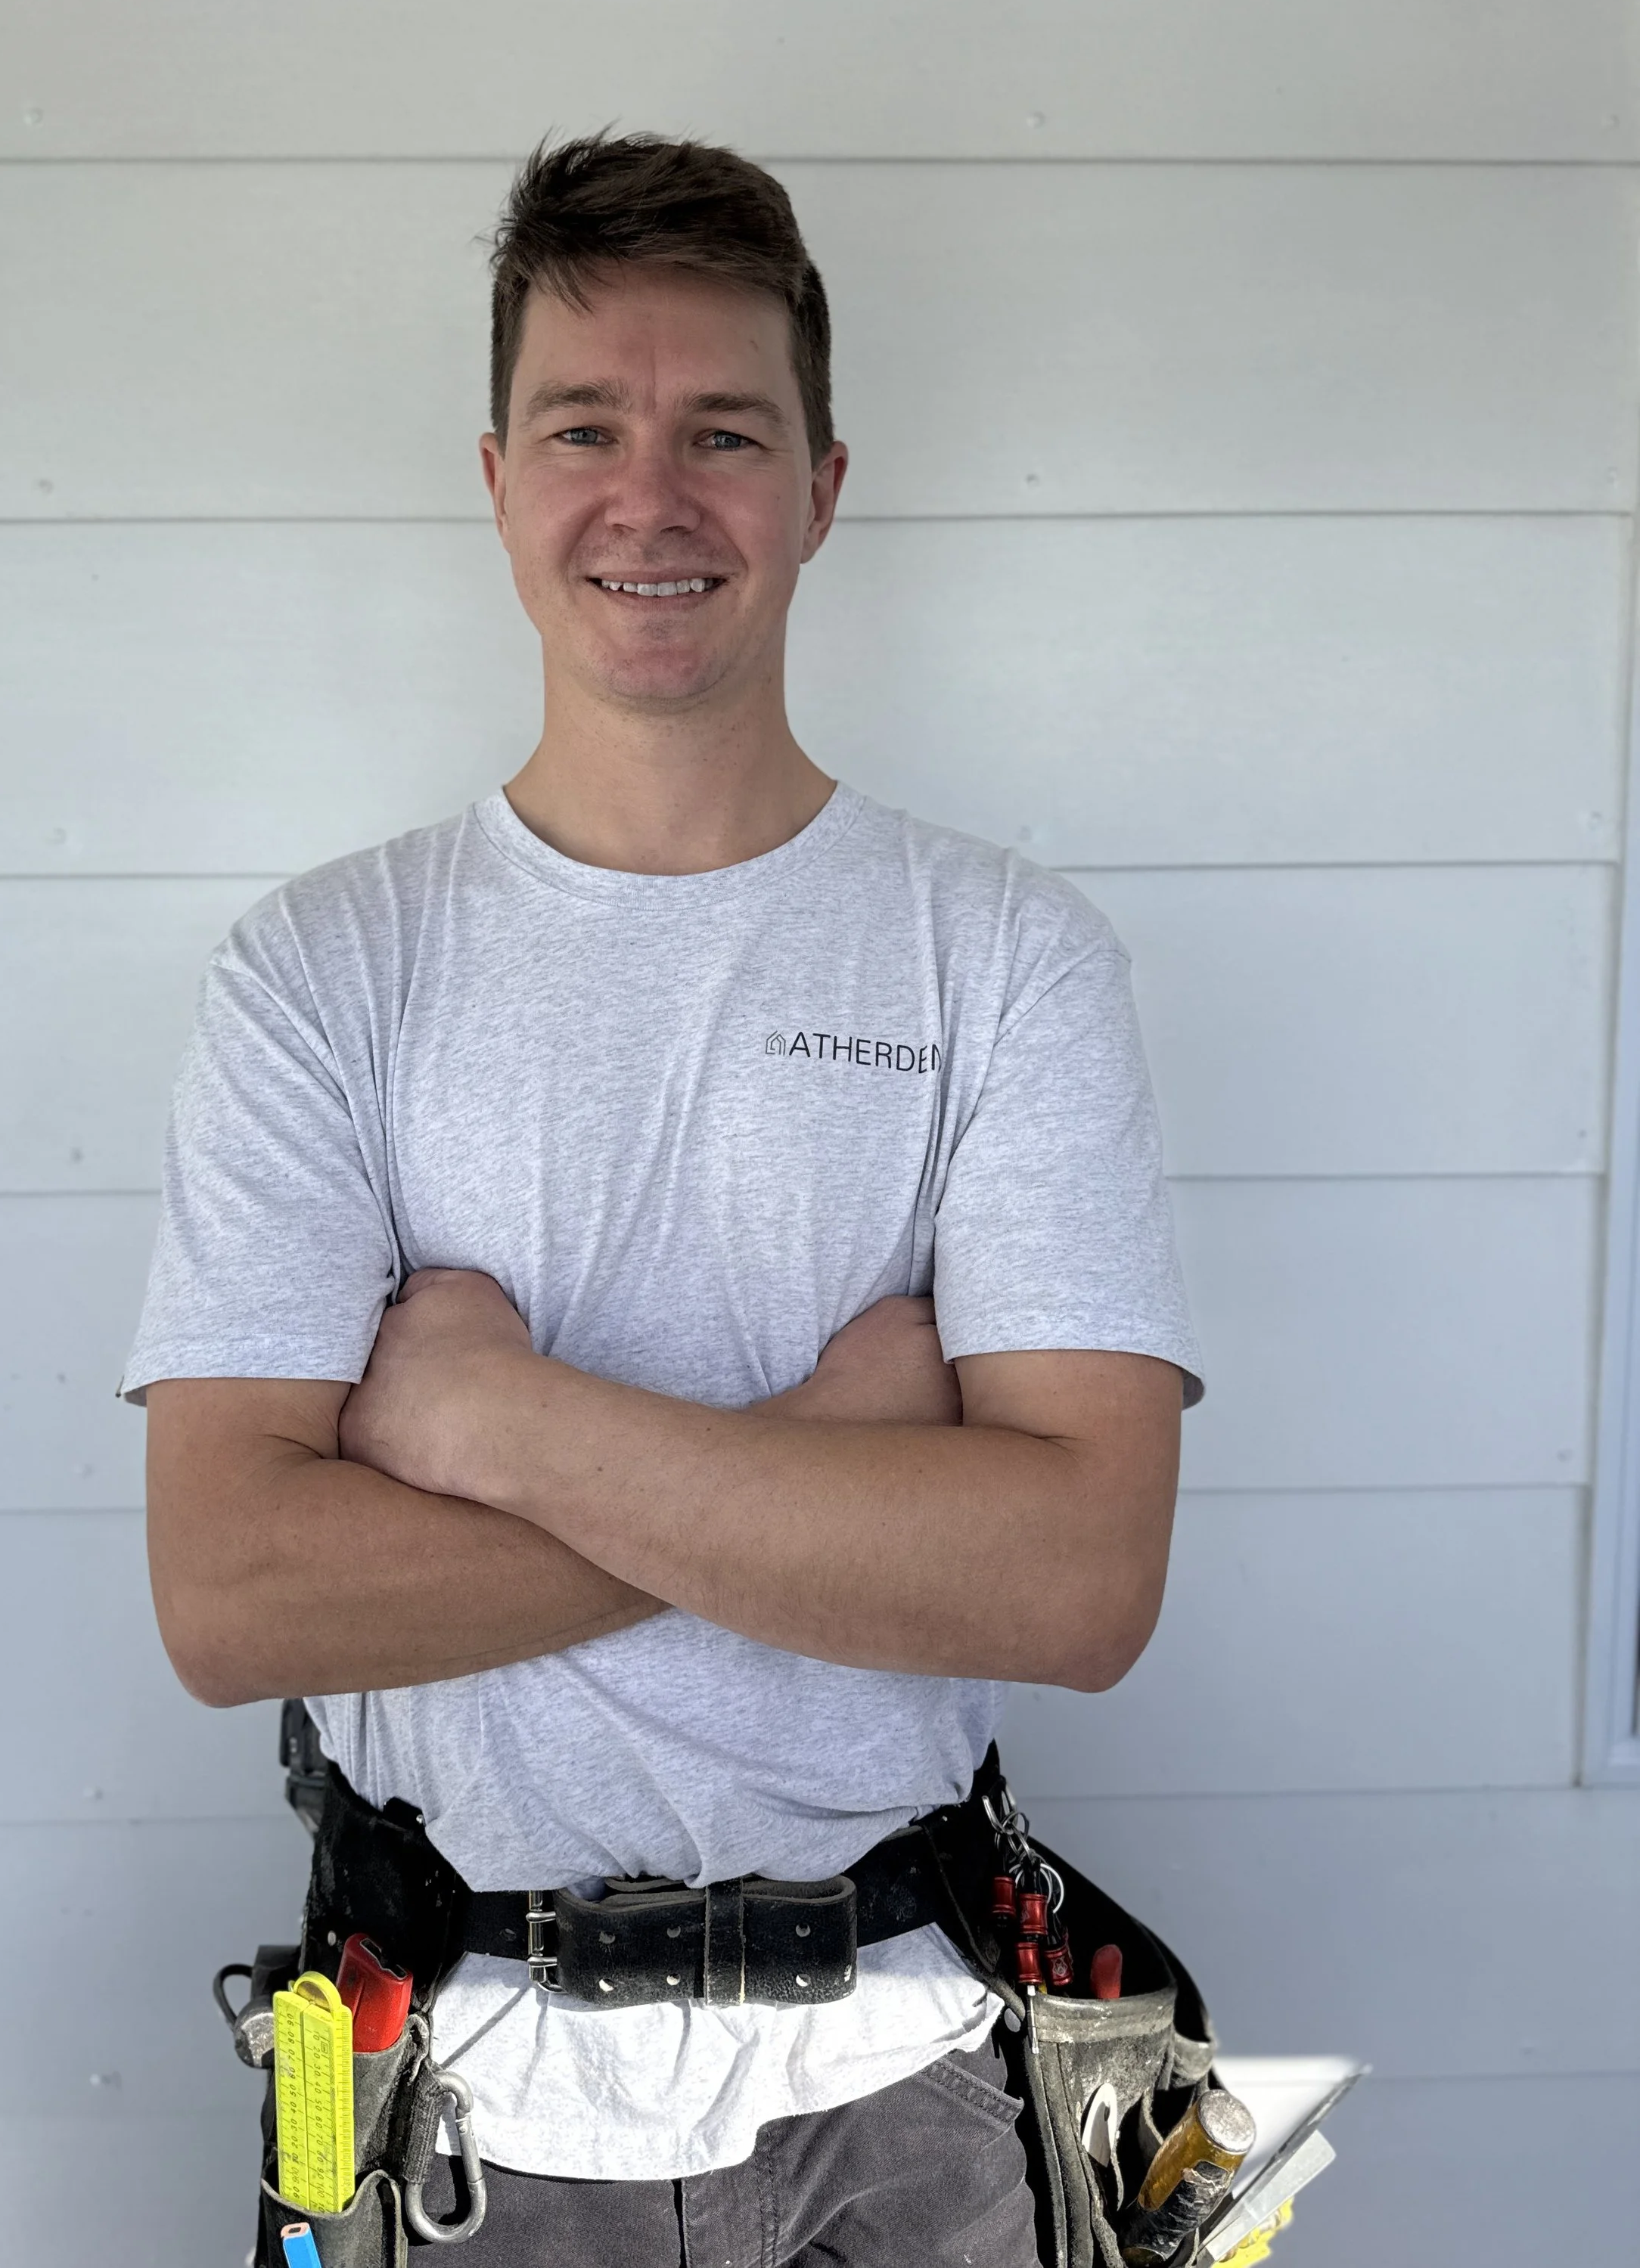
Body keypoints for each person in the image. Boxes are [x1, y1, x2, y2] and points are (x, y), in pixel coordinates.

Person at [126, 132, 1200, 2267]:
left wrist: (498, 1419)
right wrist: (825, 1467)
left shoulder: (1001, 957)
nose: (652, 494)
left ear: (819, 484)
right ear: (498, 475)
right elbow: (236, 1593)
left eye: (724, 429)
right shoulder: (326, 969)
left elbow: (1077, 1579)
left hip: (910, 2084)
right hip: (463, 2087)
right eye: (583, 428)